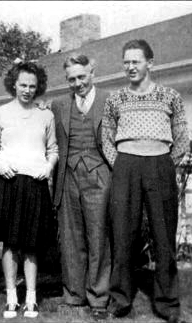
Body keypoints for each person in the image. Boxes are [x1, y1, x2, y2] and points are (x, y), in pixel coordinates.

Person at [102, 39, 189, 323]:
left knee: (164, 237)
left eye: (136, 61)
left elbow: (182, 136)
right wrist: (122, 164)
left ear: (150, 63)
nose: (130, 67)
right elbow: (106, 137)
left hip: (159, 164)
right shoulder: (115, 99)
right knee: (123, 235)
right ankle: (120, 299)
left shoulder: (169, 96)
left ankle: (167, 303)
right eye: (126, 62)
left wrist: (163, 163)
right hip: (126, 165)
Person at [0, 61, 58, 319]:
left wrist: (49, 167)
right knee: (10, 244)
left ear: (39, 88)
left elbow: (53, 150)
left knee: (31, 245)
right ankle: (12, 298)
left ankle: (32, 299)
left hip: (35, 183)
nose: (27, 90)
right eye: (23, 85)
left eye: (32, 86)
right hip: (9, 181)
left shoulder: (45, 115)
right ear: (14, 84)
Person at [51, 54, 112, 320]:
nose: (77, 83)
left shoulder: (110, 100)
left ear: (92, 72)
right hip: (68, 178)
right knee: (71, 238)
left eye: (81, 77)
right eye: (72, 79)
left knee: (98, 237)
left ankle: (98, 297)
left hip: (99, 176)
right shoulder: (58, 105)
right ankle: (73, 294)